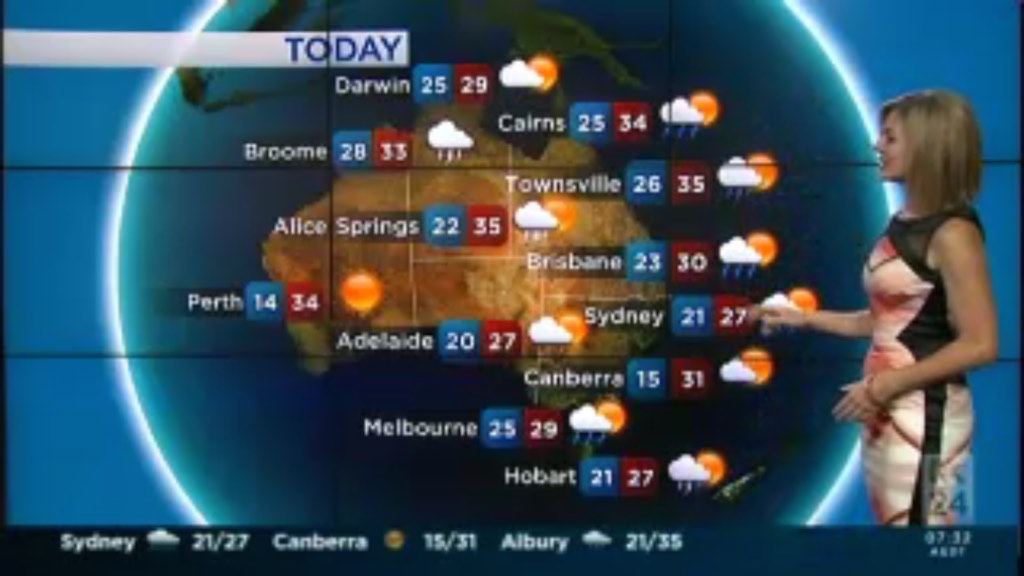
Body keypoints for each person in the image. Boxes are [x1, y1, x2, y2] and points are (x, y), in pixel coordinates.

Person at [753, 90, 998, 526]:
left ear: (926, 147)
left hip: (927, 422)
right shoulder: (904, 222)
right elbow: (889, 322)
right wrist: (803, 318)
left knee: (925, 543)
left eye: (890, 137)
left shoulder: (953, 235)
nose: (876, 145)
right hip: (888, 412)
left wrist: (885, 386)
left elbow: (981, 344)